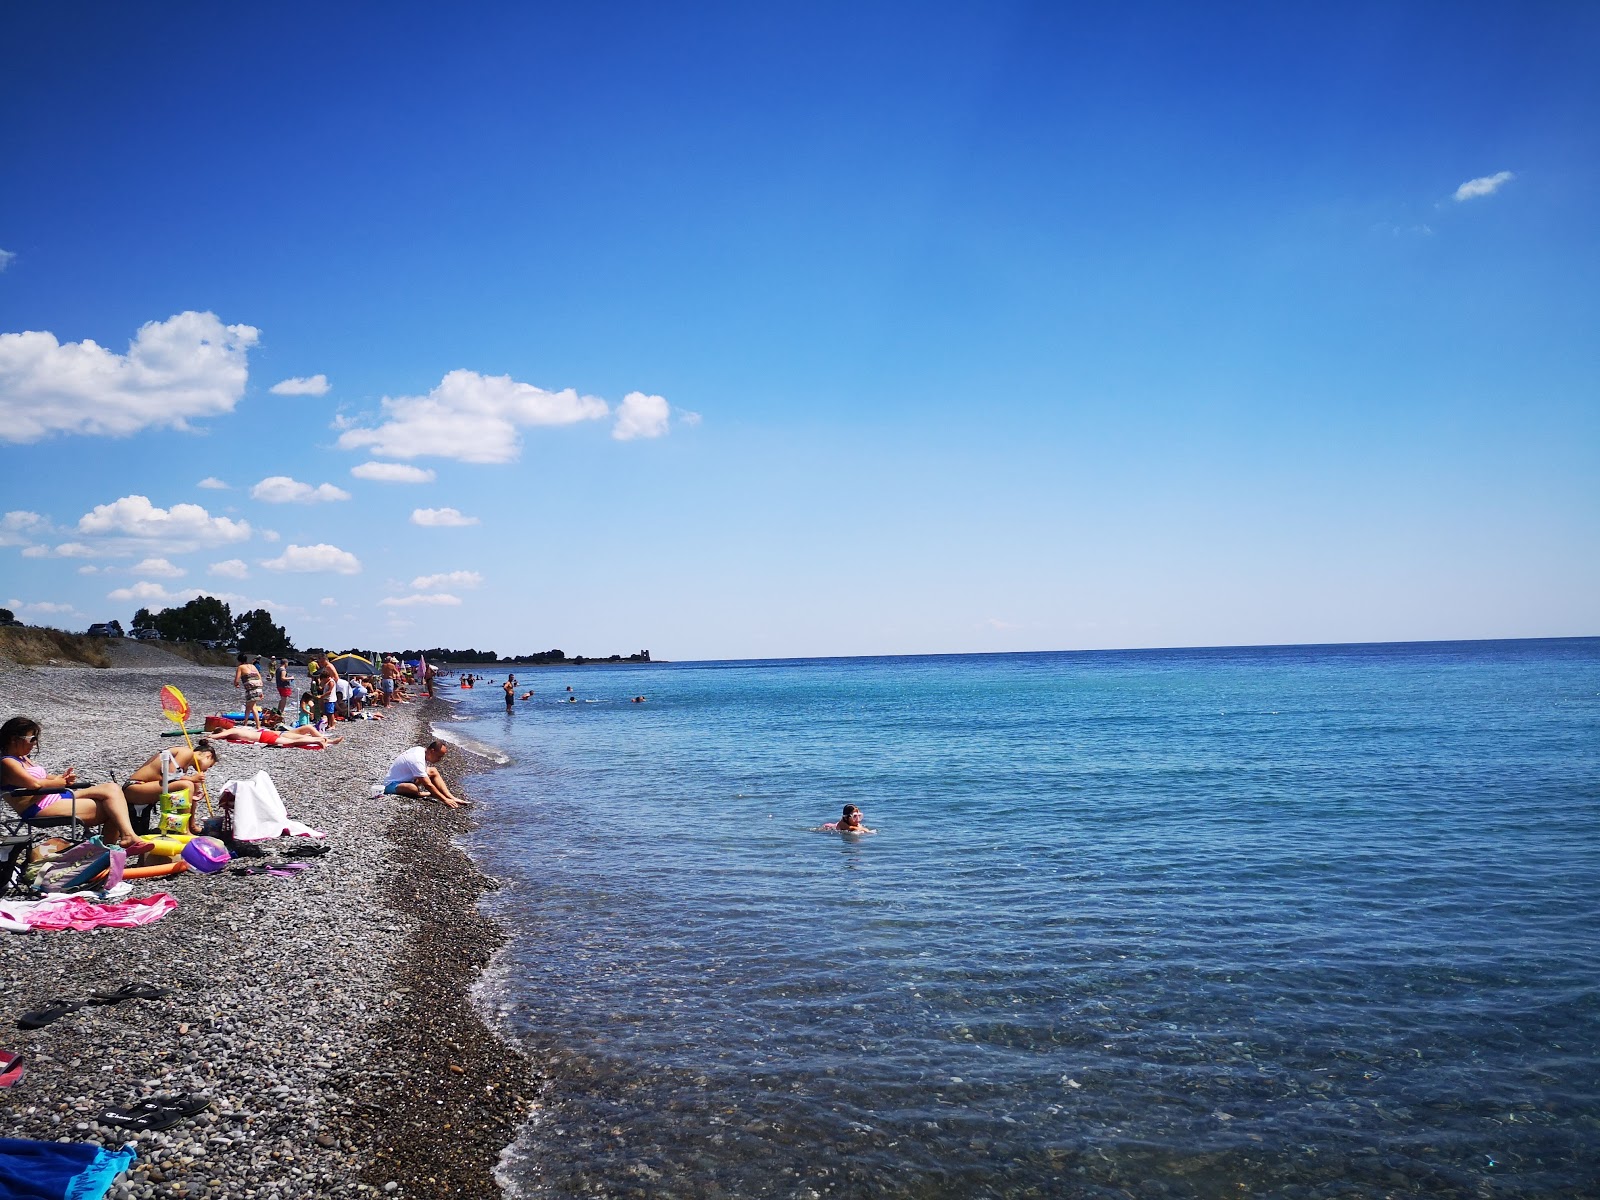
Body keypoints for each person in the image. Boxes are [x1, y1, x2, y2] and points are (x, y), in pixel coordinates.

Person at [0, 716, 156, 853]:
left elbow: (44, 777)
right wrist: (58, 782)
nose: (34, 743)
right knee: (114, 810)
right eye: (31, 739)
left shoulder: (23, 758)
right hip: (38, 808)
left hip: (54, 796)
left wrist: (62, 778)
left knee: (112, 788)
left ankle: (126, 838)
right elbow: (33, 783)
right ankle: (108, 853)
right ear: (14, 739)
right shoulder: (7, 762)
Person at [122, 740, 220, 809]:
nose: (206, 770)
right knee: (187, 785)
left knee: (194, 785)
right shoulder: (187, 752)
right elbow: (169, 776)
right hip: (135, 787)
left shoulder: (186, 763)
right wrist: (191, 779)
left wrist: (192, 793)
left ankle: (191, 826)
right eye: (209, 766)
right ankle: (184, 830)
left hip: (146, 787)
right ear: (208, 756)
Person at [382, 739, 464, 808]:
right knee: (412, 788)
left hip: (407, 779)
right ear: (432, 751)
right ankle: (421, 794)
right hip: (391, 784)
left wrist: (450, 797)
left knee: (433, 770)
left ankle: (450, 796)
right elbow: (428, 785)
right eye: (439, 756)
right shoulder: (417, 759)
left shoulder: (421, 750)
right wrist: (445, 800)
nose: (440, 759)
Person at [210, 724, 343, 748]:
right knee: (292, 741)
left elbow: (219, 735)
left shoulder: (233, 731)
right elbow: (222, 734)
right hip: (266, 734)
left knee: (291, 742)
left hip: (265, 736)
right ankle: (320, 740)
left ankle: (320, 740)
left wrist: (210, 737)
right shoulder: (235, 730)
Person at [234, 653, 264, 728]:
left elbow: (237, 679)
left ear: (239, 660)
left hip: (251, 687)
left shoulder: (240, 667)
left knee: (253, 706)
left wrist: (236, 684)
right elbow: (259, 676)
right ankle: (245, 722)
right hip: (258, 685)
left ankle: (258, 725)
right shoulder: (253, 666)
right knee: (248, 705)